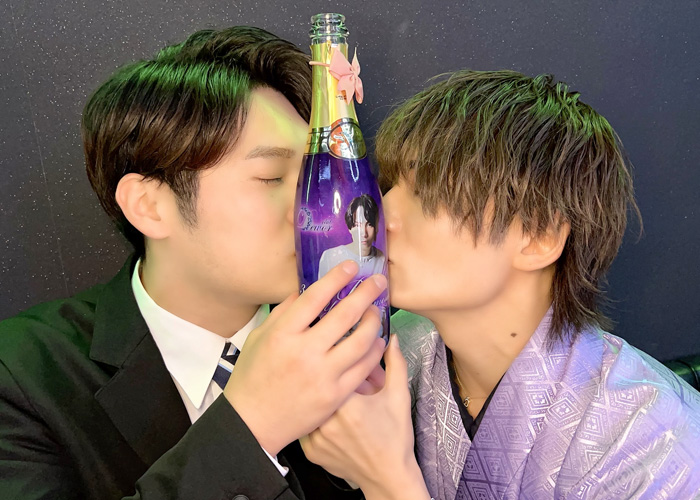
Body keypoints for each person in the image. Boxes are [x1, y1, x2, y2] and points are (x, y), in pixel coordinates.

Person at [0, 26, 387, 500]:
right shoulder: (23, 376)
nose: (315, 209)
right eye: (271, 177)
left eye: (311, 176)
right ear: (149, 206)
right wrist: (251, 425)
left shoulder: (366, 342)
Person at [300, 70, 700, 499]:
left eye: (427, 195)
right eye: (390, 186)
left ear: (540, 236)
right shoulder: (396, 349)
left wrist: (387, 479)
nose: (379, 214)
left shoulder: (659, 448)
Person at [318, 194, 386, 280]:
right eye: (357, 225)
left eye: (369, 224)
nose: (364, 233)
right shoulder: (330, 257)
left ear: (376, 227)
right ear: (350, 228)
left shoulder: (381, 259)